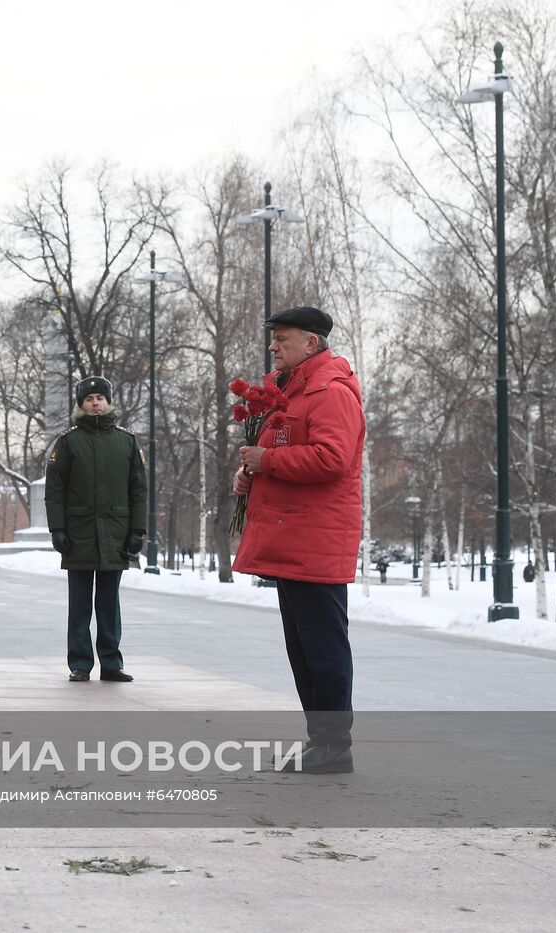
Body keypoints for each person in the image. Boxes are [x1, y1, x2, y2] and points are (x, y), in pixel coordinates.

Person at [232, 306, 364, 775]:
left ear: (311, 343)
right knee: (303, 650)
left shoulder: (330, 393)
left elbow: (332, 459)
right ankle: (321, 743)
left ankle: (335, 746)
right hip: (293, 540)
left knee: (324, 650)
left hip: (315, 540)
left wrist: (268, 462)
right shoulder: (290, 394)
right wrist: (250, 472)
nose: (273, 347)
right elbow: (282, 452)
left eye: (282, 339)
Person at [45, 376, 146, 684]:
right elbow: (55, 489)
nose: (95, 403)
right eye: (89, 399)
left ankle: (111, 663)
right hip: (78, 534)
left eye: (100, 398)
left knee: (108, 604)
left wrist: (137, 530)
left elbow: (138, 489)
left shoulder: (126, 441)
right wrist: (57, 528)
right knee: (79, 605)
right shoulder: (68, 442)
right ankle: (79, 663)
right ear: (81, 405)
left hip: (115, 534)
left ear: (108, 401)